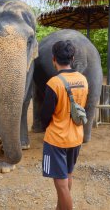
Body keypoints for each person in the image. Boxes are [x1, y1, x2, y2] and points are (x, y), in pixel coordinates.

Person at [41, 40, 89, 210]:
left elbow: (45, 116)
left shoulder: (54, 83)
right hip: (76, 138)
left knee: (61, 185)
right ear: (72, 58)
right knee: (67, 176)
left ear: (53, 59)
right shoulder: (83, 80)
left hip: (57, 140)